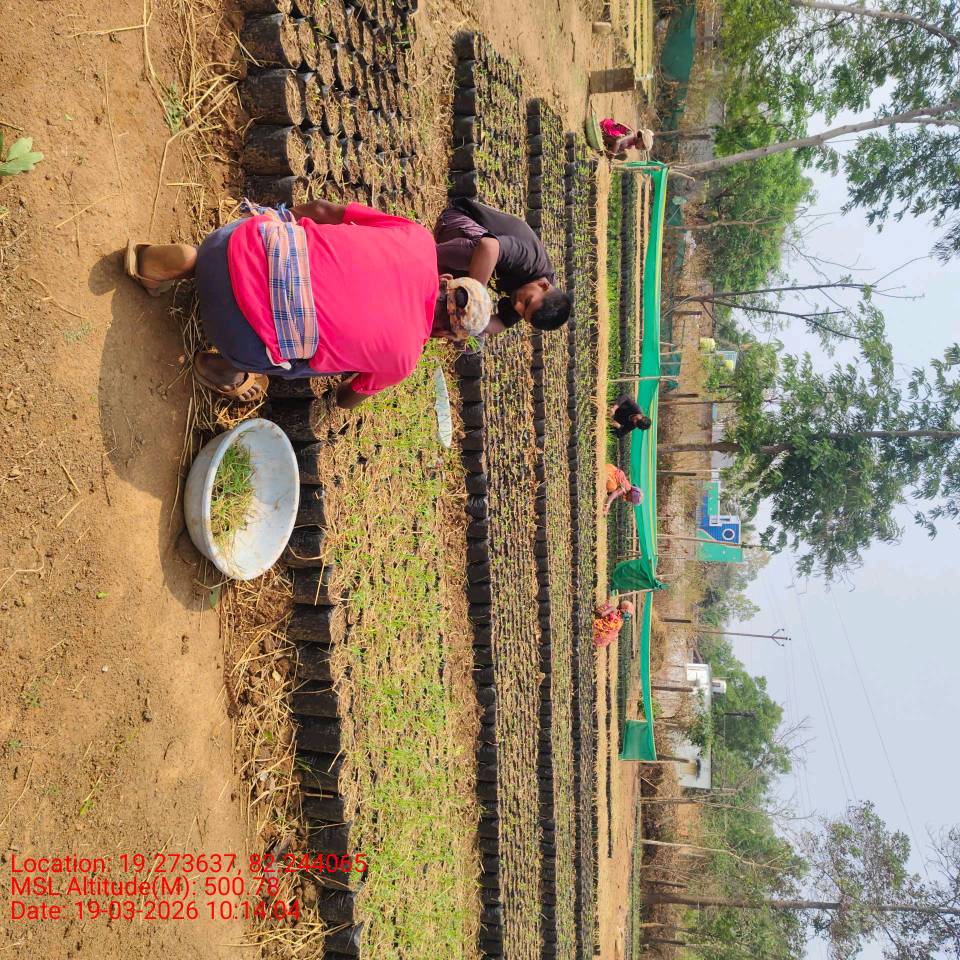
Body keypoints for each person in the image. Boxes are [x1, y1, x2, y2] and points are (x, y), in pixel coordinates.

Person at [124, 198, 492, 408]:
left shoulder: (418, 237)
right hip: (235, 333)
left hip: (230, 245)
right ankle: (224, 366)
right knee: (314, 361)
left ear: (447, 279)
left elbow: (322, 209)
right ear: (445, 336)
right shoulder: (403, 360)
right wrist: (351, 379)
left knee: (290, 236)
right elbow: (347, 398)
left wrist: (282, 221)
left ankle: (187, 262)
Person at [434, 197, 572, 335]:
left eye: (523, 314)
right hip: (455, 221)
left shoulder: (533, 302)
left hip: (461, 261)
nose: (517, 306)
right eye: (527, 302)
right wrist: (477, 294)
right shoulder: (530, 261)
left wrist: (471, 322)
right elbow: (488, 246)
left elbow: (499, 324)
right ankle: (427, 255)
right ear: (543, 285)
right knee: (478, 257)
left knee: (459, 307)